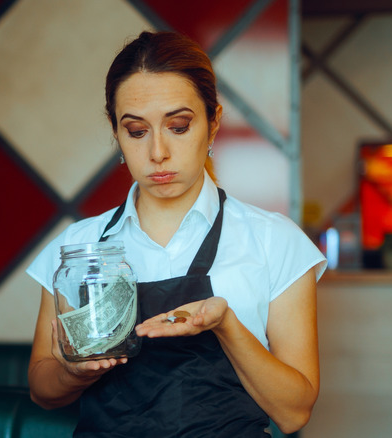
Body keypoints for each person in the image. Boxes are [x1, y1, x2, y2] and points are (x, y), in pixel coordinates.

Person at [27, 30, 326, 437]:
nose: (157, 152)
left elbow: (295, 413)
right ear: (116, 133)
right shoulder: (78, 248)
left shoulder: (275, 241)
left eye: (179, 126)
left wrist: (226, 326)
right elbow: (43, 391)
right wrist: (76, 372)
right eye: (136, 131)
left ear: (213, 122)